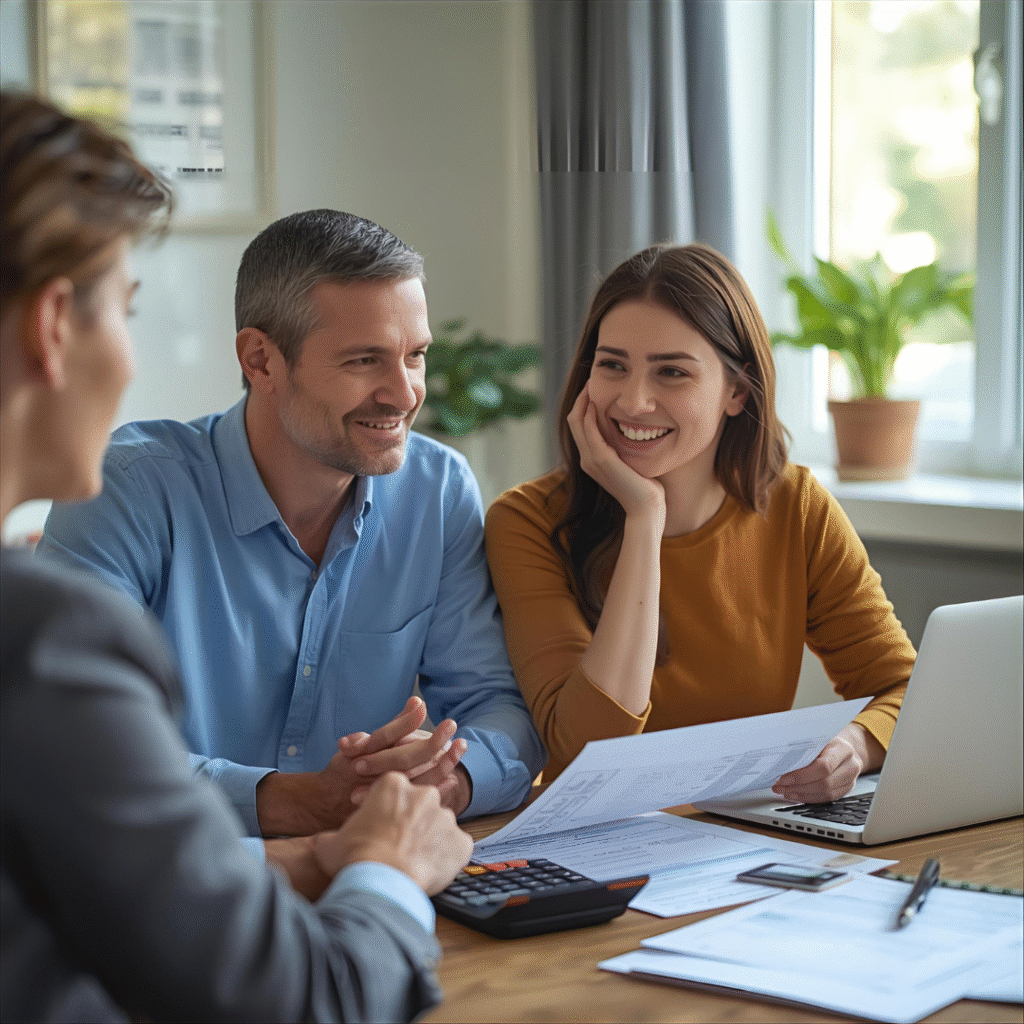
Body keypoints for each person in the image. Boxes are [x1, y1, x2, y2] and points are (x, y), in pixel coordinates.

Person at [1, 90, 475, 1022]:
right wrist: (385, 868)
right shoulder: (41, 644)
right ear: (54, 327)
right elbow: (304, 1002)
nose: (132, 360)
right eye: (124, 312)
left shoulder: (440, 489)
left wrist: (320, 852)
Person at [37, 206, 545, 837]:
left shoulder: (436, 491)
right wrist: (292, 803)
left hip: (375, 871)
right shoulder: (128, 489)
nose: (404, 392)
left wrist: (446, 782)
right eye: (363, 361)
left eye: (414, 356)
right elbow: (72, 745)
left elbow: (497, 705)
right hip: (168, 894)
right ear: (261, 360)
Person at [485, 243, 915, 801]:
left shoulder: (797, 507)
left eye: (672, 373)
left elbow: (902, 689)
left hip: (741, 835)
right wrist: (644, 516)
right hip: (594, 840)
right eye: (612, 365)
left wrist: (855, 745)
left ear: (736, 392)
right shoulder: (525, 521)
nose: (634, 402)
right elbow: (585, 753)